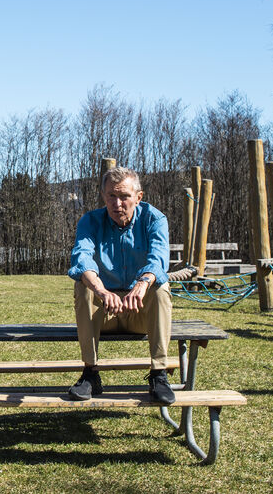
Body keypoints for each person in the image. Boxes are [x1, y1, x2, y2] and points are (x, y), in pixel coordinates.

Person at [66, 166, 175, 404]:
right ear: (103, 197)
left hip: (140, 314)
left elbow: (158, 259)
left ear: (138, 197)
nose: (117, 203)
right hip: (104, 312)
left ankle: (159, 374)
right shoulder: (90, 221)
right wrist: (101, 290)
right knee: (82, 285)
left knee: (160, 288)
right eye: (111, 196)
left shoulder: (154, 219)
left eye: (124, 196)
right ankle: (90, 373)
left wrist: (143, 283)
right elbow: (81, 258)